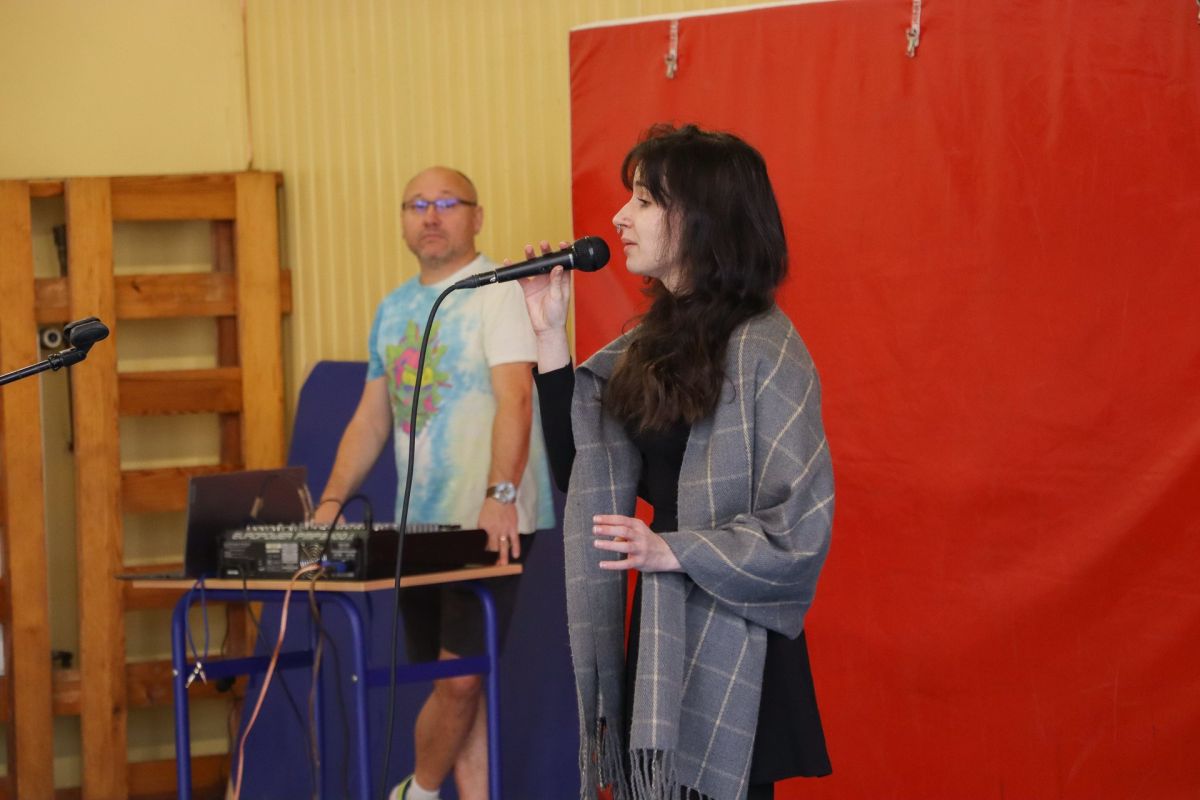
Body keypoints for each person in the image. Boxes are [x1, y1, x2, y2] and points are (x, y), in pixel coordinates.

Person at [519, 125, 833, 800]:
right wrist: (547, 338)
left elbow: (798, 532)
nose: (619, 218)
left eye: (643, 200)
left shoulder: (769, 350)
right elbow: (583, 479)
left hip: (739, 647)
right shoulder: (648, 343)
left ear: (701, 218)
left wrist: (674, 550)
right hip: (663, 629)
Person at [312, 166, 554, 800]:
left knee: (462, 679)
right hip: (416, 527)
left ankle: (415, 792)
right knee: (455, 687)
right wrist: (332, 498)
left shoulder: (497, 290)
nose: (430, 215)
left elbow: (517, 396)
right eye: (416, 204)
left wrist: (501, 494)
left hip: (487, 522)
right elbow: (371, 418)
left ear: (477, 216)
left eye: (447, 202)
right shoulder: (393, 308)